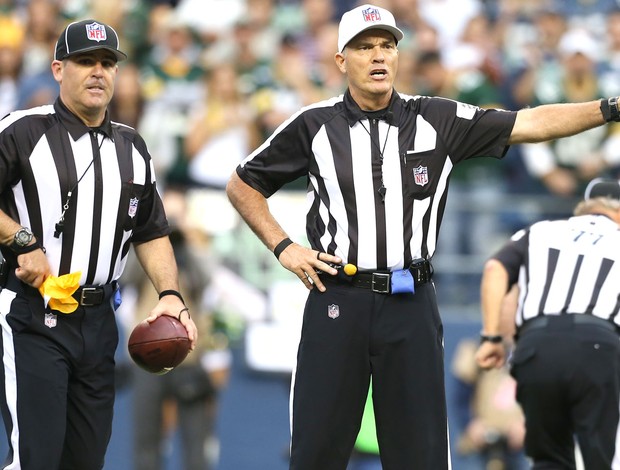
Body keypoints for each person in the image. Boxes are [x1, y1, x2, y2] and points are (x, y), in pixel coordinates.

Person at [225, 4, 620, 469]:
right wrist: (284, 247)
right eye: (365, 47)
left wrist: (609, 108)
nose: (378, 57)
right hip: (339, 298)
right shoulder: (314, 123)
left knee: (423, 456)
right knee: (315, 451)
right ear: (340, 60)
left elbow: (528, 123)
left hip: (411, 301)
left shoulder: (437, 118)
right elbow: (242, 184)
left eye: (387, 46)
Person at [0, 19, 197, 470]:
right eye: (85, 61)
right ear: (57, 69)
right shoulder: (21, 130)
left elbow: (150, 230)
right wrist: (23, 240)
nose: (98, 72)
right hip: (33, 313)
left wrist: (170, 294)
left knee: (86, 460)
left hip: (98, 319)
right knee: (35, 459)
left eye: (107, 63)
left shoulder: (133, 147)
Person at [475, 177, 620, 469]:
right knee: (602, 459)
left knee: (548, 460)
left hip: (536, 347)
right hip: (598, 347)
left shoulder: (542, 230)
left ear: (582, 208)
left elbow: (494, 268)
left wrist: (491, 337)